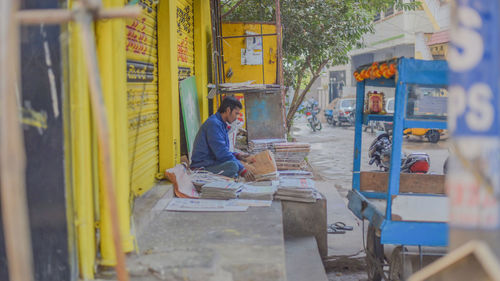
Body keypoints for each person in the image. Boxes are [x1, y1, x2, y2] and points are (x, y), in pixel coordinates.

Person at [190, 96, 255, 181]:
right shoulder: (213, 124)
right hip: (202, 168)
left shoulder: (220, 124)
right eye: (236, 113)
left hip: (211, 163)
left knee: (235, 165)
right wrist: (243, 170)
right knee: (233, 167)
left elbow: (221, 150)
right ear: (228, 110)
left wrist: (237, 155)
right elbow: (222, 153)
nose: (236, 117)